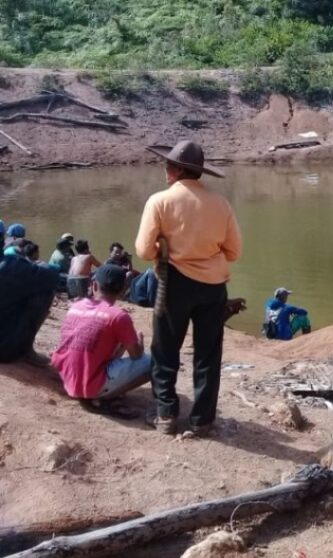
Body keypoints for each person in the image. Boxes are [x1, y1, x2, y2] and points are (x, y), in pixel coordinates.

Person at [135, 140, 243, 436]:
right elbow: (234, 252)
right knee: (208, 355)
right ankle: (202, 420)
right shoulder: (221, 204)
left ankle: (165, 414)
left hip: (174, 283)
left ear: (178, 171)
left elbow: (143, 250)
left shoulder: (160, 201)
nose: (165, 170)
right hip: (213, 286)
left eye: (168, 165)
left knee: (165, 350)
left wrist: (163, 249)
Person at [51, 265, 151, 416]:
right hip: (88, 386)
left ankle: (97, 386)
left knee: (109, 338)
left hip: (65, 377)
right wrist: (140, 346)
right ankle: (105, 396)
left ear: (94, 285)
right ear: (123, 289)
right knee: (154, 363)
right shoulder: (118, 316)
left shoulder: (76, 306)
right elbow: (136, 355)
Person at [0, 248, 60, 366]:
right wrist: (37, 264)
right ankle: (26, 350)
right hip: (5, 350)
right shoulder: (13, 266)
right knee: (45, 290)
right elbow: (53, 275)